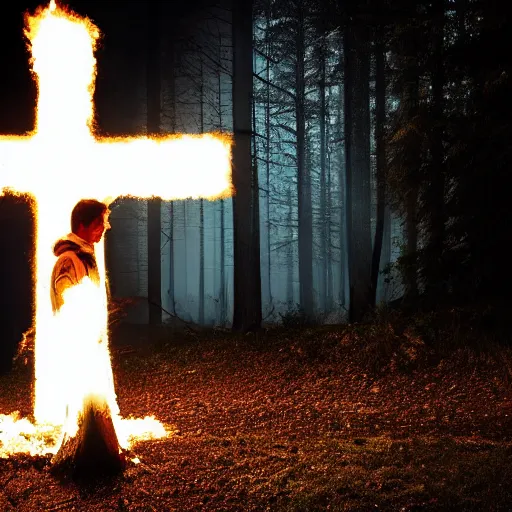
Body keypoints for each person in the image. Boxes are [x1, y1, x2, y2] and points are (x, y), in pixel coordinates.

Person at [50, 199, 110, 313]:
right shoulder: (68, 261)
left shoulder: (83, 257)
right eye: (99, 222)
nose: (105, 227)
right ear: (82, 226)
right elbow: (67, 311)